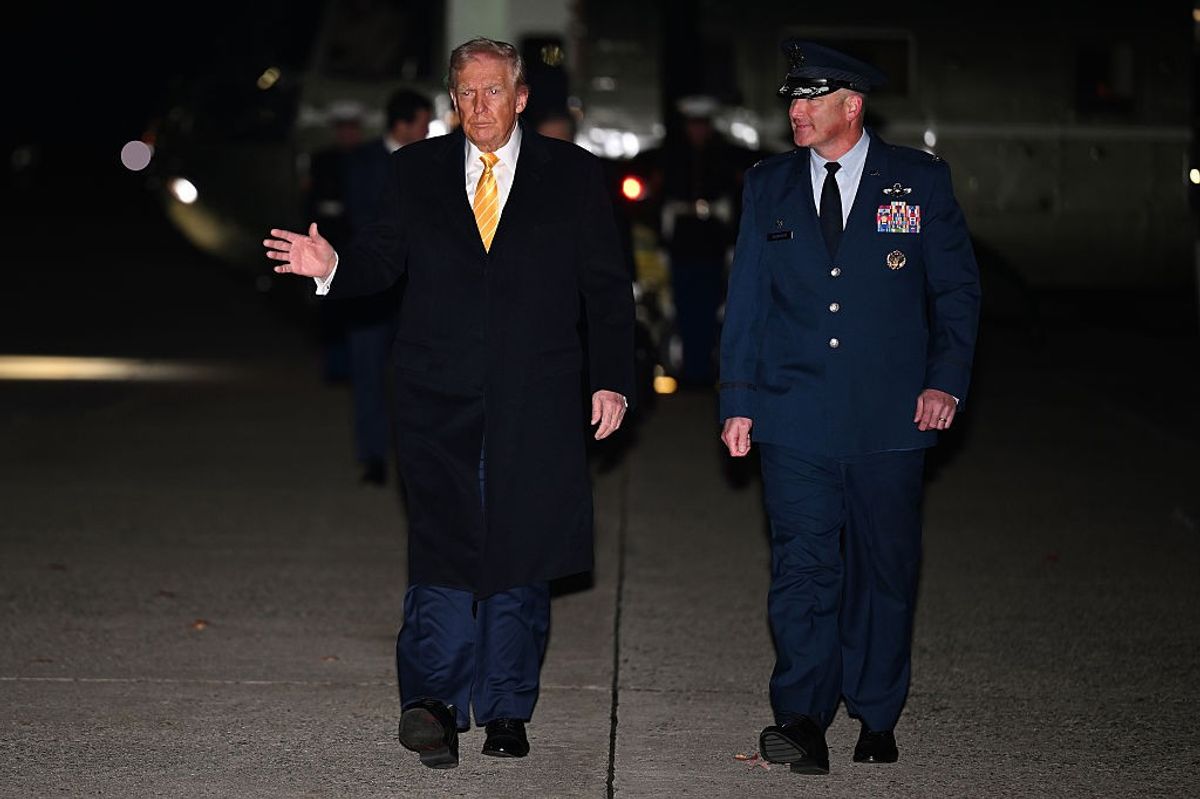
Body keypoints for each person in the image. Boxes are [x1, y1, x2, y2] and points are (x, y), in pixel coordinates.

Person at [264, 37, 634, 769]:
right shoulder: (416, 171)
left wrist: (613, 377)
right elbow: (380, 258)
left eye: (493, 92)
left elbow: (606, 290)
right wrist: (331, 266)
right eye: (466, 94)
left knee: (519, 549)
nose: (479, 107)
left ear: (521, 96)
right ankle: (432, 700)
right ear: (451, 99)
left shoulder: (573, 175)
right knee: (442, 546)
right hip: (438, 396)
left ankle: (503, 705)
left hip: (538, 397)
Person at [718, 40, 981, 774]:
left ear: (851, 106)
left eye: (809, 100)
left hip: (889, 417)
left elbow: (956, 292)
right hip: (793, 412)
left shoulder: (917, 181)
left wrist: (945, 379)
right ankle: (801, 717)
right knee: (802, 568)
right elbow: (747, 302)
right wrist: (738, 398)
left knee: (882, 567)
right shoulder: (767, 183)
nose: (794, 112)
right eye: (791, 99)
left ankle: (876, 709)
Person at [338, 88, 433, 486]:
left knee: (420, 378)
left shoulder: (432, 163)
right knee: (368, 374)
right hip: (372, 292)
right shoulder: (363, 164)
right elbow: (360, 225)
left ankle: (419, 454)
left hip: (418, 292)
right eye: (423, 125)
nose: (428, 132)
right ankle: (373, 456)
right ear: (403, 124)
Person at [646, 94, 757, 388]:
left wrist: (734, 241)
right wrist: (661, 241)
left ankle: (705, 370)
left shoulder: (724, 156)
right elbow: (658, 201)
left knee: (711, 307)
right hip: (681, 242)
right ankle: (689, 371)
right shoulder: (671, 156)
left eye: (702, 124)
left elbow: (737, 201)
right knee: (683, 307)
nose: (697, 131)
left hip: (712, 243)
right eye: (693, 124)